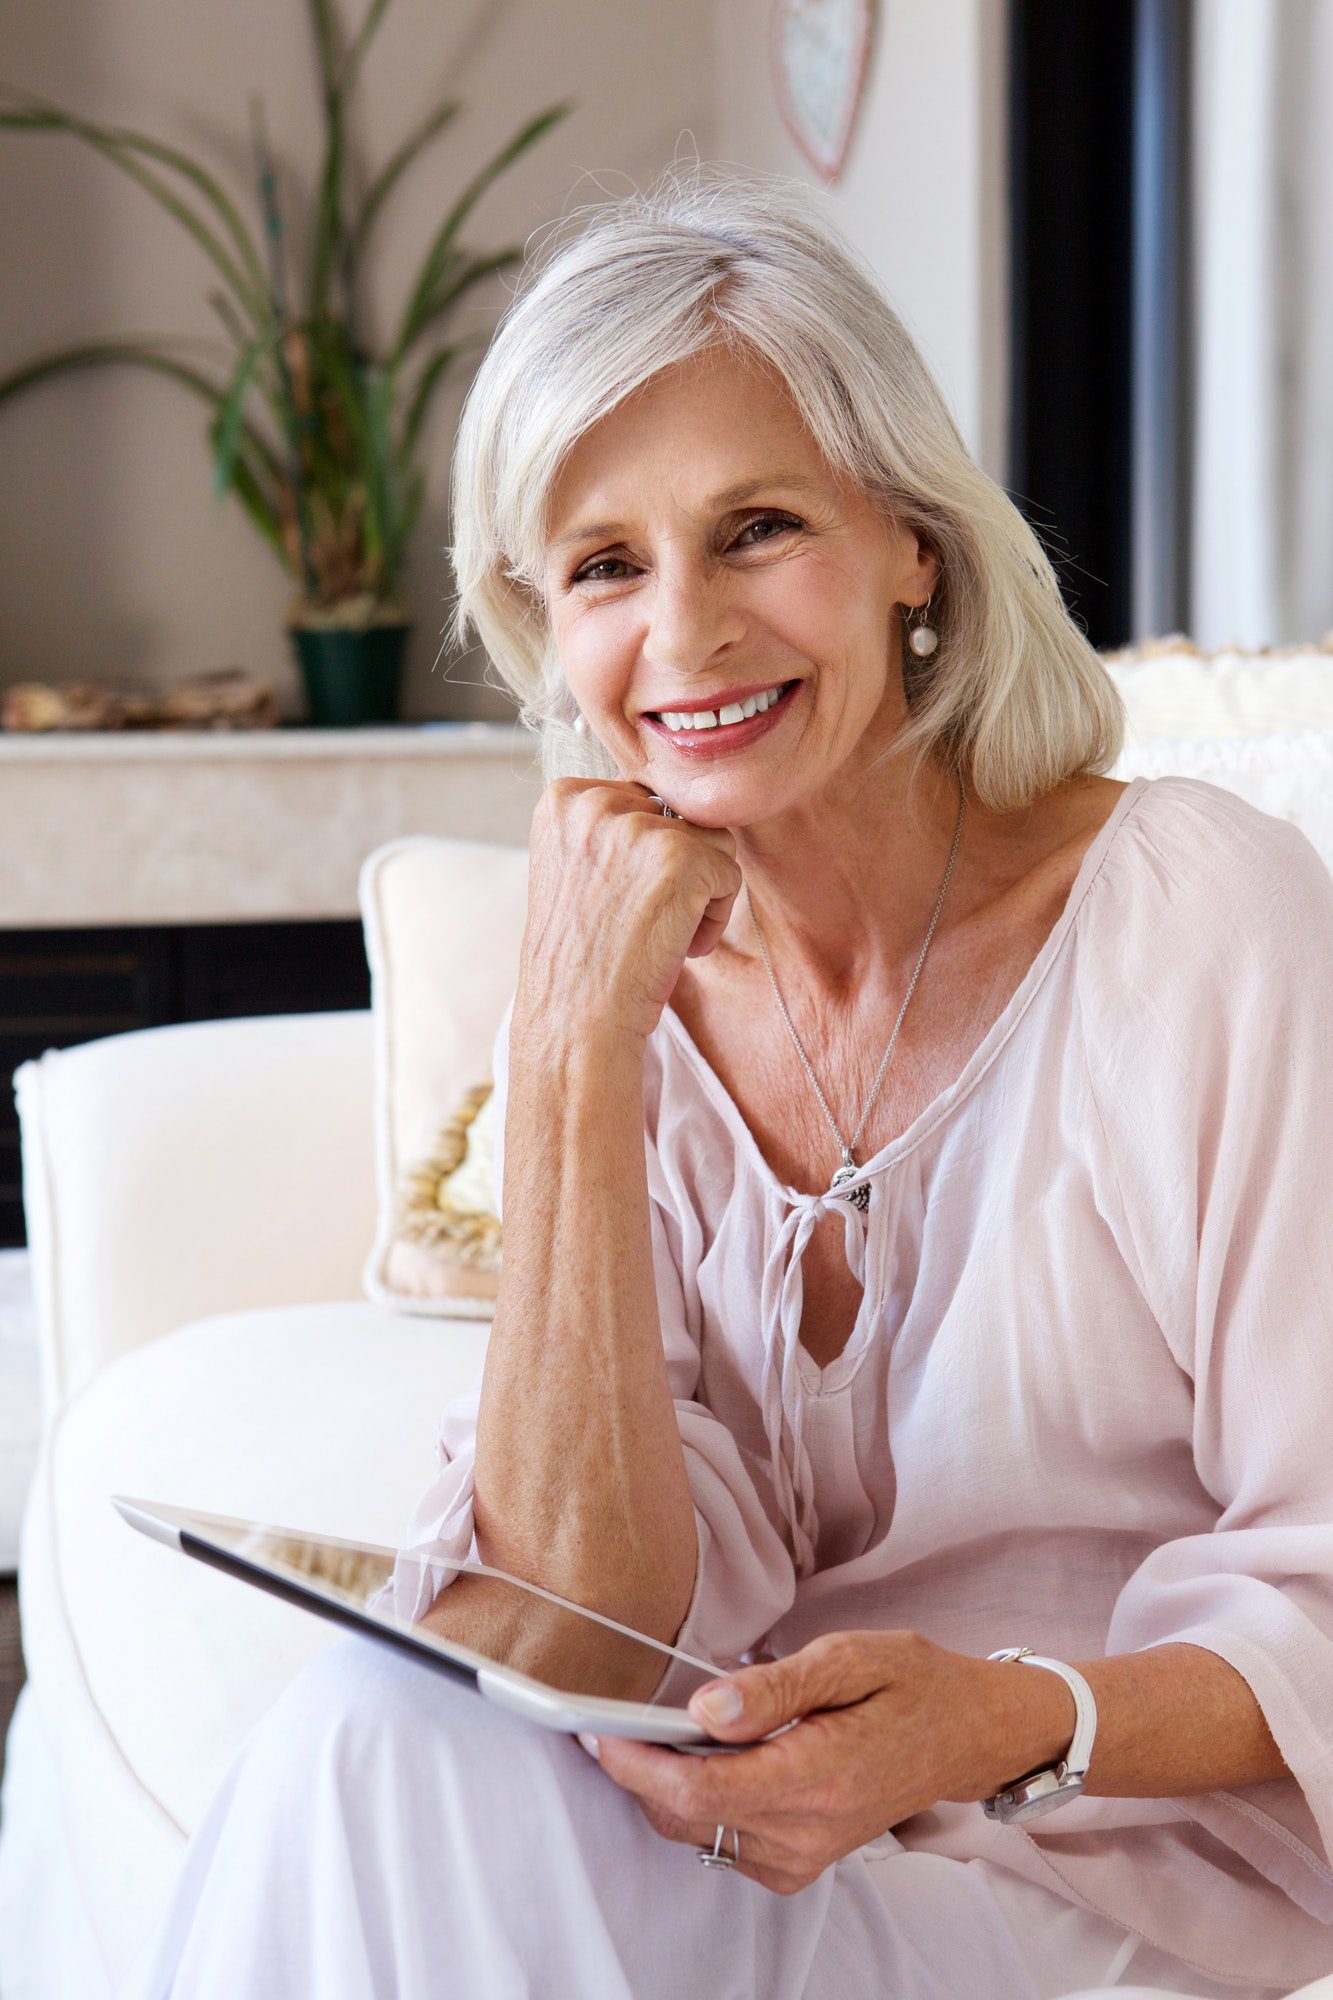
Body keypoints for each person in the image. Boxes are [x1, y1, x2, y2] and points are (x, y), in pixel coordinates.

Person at [119, 168, 1333, 2000]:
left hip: (1104, 1901)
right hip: (761, 1872)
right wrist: (567, 1056)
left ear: (911, 543)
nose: (681, 634)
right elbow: (588, 1623)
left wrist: (1002, 1720)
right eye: (605, 564)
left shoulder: (1192, 919)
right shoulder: (646, 1004)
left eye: (755, 528)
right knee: (384, 1740)